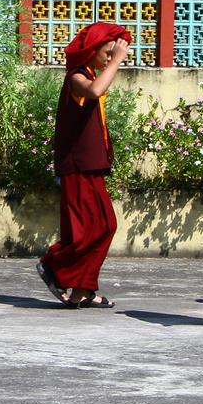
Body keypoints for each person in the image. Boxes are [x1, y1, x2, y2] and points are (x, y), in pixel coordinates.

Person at [36, 22, 131, 309]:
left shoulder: (89, 74)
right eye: (107, 48)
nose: (111, 54)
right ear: (92, 50)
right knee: (86, 231)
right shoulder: (77, 77)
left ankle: (80, 291)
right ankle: (54, 265)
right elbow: (94, 90)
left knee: (105, 226)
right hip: (77, 166)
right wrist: (115, 62)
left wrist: (112, 58)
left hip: (91, 166)